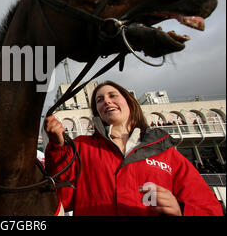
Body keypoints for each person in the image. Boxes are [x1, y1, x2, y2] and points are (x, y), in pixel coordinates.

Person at [45, 80, 223, 216]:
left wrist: (181, 210)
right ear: (97, 111)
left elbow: (209, 208)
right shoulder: (81, 147)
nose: (106, 102)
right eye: (100, 100)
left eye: (113, 96)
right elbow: (61, 199)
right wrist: (58, 148)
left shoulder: (167, 153)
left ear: (129, 102)